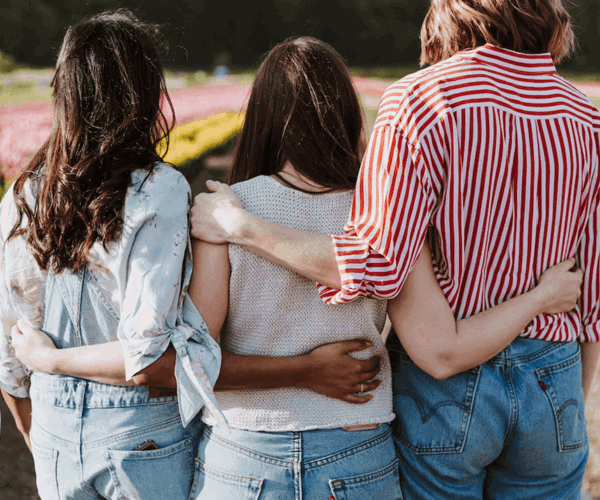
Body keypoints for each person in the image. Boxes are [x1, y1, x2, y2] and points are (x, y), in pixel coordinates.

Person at [13, 34, 581, 499]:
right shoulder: (384, 210)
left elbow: (200, 344)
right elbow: (423, 334)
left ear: (261, 116)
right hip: (358, 445)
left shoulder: (226, 207)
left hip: (243, 450)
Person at [189, 1, 600, 499]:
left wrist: (243, 227)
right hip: (553, 377)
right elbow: (591, 295)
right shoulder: (587, 117)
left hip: (451, 385)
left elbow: (379, 261)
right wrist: (567, 399)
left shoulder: (424, 100)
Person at [0, 10, 222, 500]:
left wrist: (40, 432)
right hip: (138, 431)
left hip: (54, 431)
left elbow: (9, 354)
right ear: (143, 94)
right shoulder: (156, 189)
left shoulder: (24, 195)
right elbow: (145, 353)